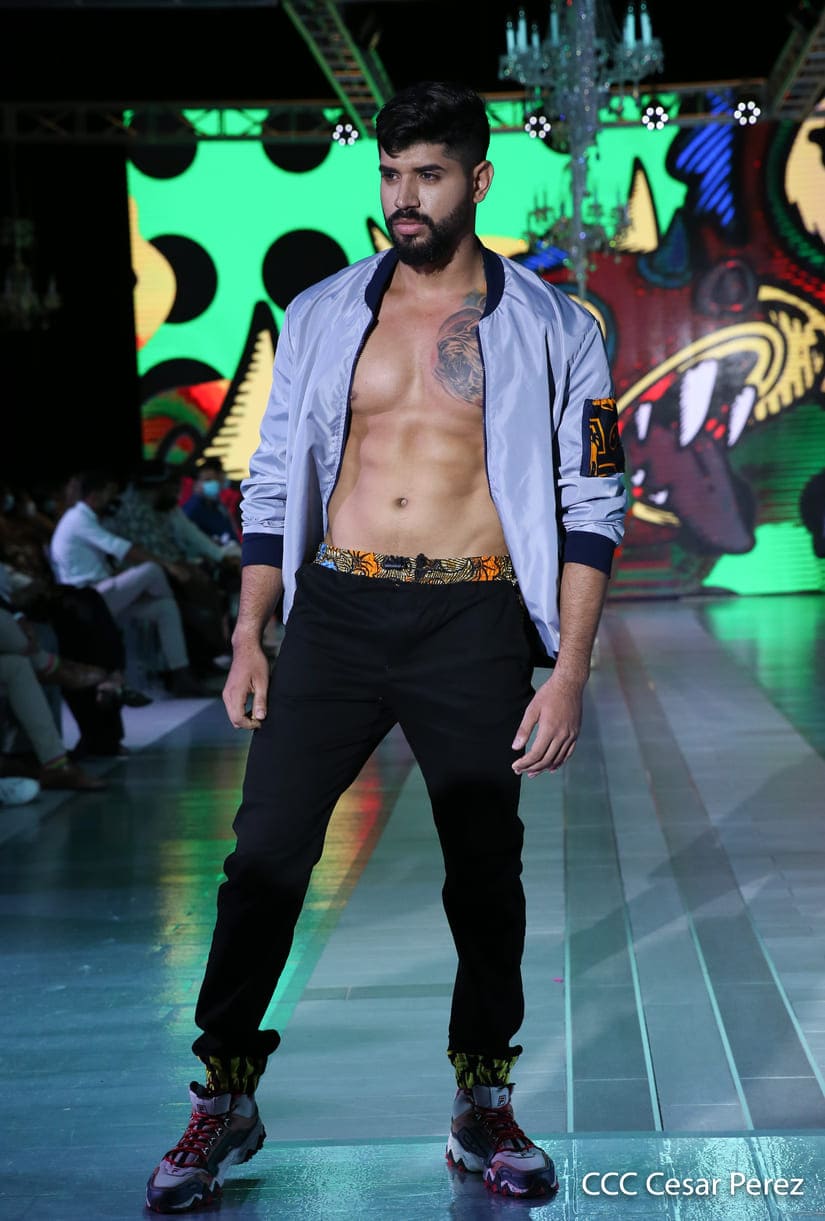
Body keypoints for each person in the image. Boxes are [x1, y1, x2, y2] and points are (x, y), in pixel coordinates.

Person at [146, 80, 627, 1213]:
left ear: (479, 180)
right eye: (391, 175)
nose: (405, 197)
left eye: (429, 175)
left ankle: (481, 1099)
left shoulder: (560, 328)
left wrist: (568, 672)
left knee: (484, 870)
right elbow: (275, 476)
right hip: (339, 611)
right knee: (264, 858)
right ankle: (224, 1095)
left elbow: (593, 501)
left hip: (474, 614)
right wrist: (249, 631)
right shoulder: (322, 312)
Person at [49, 471, 215, 698]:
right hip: (87, 599)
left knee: (165, 607)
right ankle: (188, 614)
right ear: (96, 495)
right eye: (109, 492)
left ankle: (180, 675)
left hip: (100, 595)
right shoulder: (78, 519)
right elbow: (122, 548)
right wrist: (170, 567)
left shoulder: (83, 517)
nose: (113, 498)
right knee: (153, 569)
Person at [180, 457, 242, 547]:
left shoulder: (217, 505)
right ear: (197, 483)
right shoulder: (192, 509)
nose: (213, 483)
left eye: (214, 480)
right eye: (207, 480)